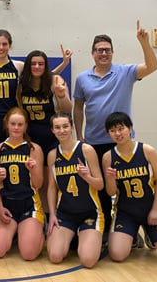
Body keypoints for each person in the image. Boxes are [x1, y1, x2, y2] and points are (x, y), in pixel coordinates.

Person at [73, 20, 157, 243]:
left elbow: (152, 67)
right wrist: (79, 135)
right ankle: (108, 230)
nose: (104, 53)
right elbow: (78, 108)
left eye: (107, 50)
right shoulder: (82, 79)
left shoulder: (125, 72)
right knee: (102, 190)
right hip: (94, 142)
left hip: (122, 144)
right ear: (92, 53)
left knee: (131, 188)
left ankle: (145, 228)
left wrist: (144, 43)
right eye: (99, 50)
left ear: (112, 52)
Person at [103, 112, 157, 266]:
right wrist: (111, 179)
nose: (118, 133)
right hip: (125, 212)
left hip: (150, 210)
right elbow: (110, 192)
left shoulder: (147, 151)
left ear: (130, 128)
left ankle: (149, 233)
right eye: (113, 131)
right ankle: (131, 235)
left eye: (121, 129)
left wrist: (154, 210)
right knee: (117, 255)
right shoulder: (108, 157)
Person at [18, 49, 72, 226]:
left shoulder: (55, 81)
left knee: (51, 179)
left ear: (46, 66)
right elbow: (20, 110)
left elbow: (67, 109)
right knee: (35, 179)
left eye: (40, 64)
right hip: (30, 137)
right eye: (33, 63)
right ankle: (36, 214)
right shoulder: (22, 84)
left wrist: (61, 94)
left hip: (52, 137)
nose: (36, 67)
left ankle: (52, 215)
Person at [45, 113, 104, 268]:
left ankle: (84, 237)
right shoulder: (52, 155)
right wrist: (52, 214)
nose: (62, 130)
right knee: (55, 256)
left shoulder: (86, 150)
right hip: (65, 214)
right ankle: (73, 238)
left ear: (71, 127)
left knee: (88, 261)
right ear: (52, 130)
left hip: (90, 212)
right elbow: (52, 187)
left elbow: (100, 185)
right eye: (57, 127)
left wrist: (87, 177)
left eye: (65, 126)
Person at [0, 107, 44, 261]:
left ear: (26, 126)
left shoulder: (34, 149)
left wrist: (32, 170)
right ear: (7, 124)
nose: (16, 128)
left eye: (20, 124)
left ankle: (35, 230)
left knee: (28, 254)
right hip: (7, 206)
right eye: (13, 124)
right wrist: (0, 208)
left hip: (29, 204)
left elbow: (39, 184)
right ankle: (18, 232)